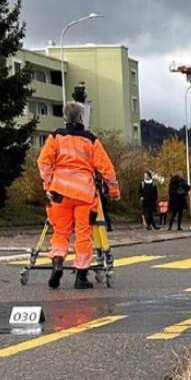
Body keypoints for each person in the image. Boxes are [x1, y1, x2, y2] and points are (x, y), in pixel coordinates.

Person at [38, 101, 120, 290]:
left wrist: (49, 184)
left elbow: (43, 162)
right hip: (84, 194)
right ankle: (81, 277)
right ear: (82, 117)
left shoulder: (56, 137)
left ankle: (57, 263)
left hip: (60, 192)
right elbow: (107, 169)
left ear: (65, 117)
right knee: (83, 234)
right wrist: (114, 190)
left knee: (60, 231)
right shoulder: (91, 140)